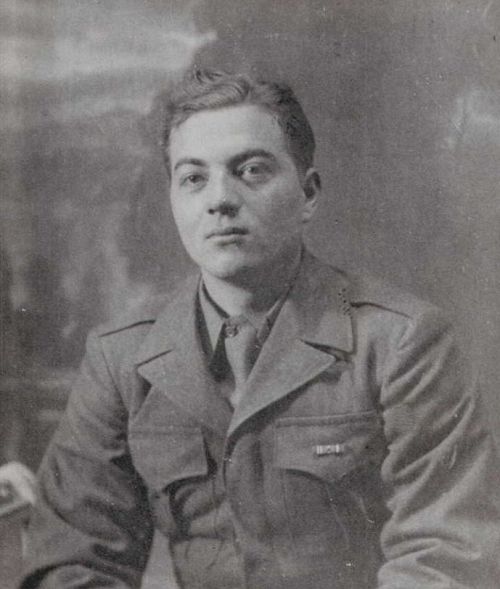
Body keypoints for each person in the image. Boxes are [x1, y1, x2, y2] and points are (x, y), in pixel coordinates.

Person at [21, 68, 500, 589]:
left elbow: (445, 556)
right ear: (174, 199)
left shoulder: (402, 343)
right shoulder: (121, 357)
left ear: (308, 194)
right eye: (193, 178)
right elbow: (72, 561)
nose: (219, 199)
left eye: (251, 170)